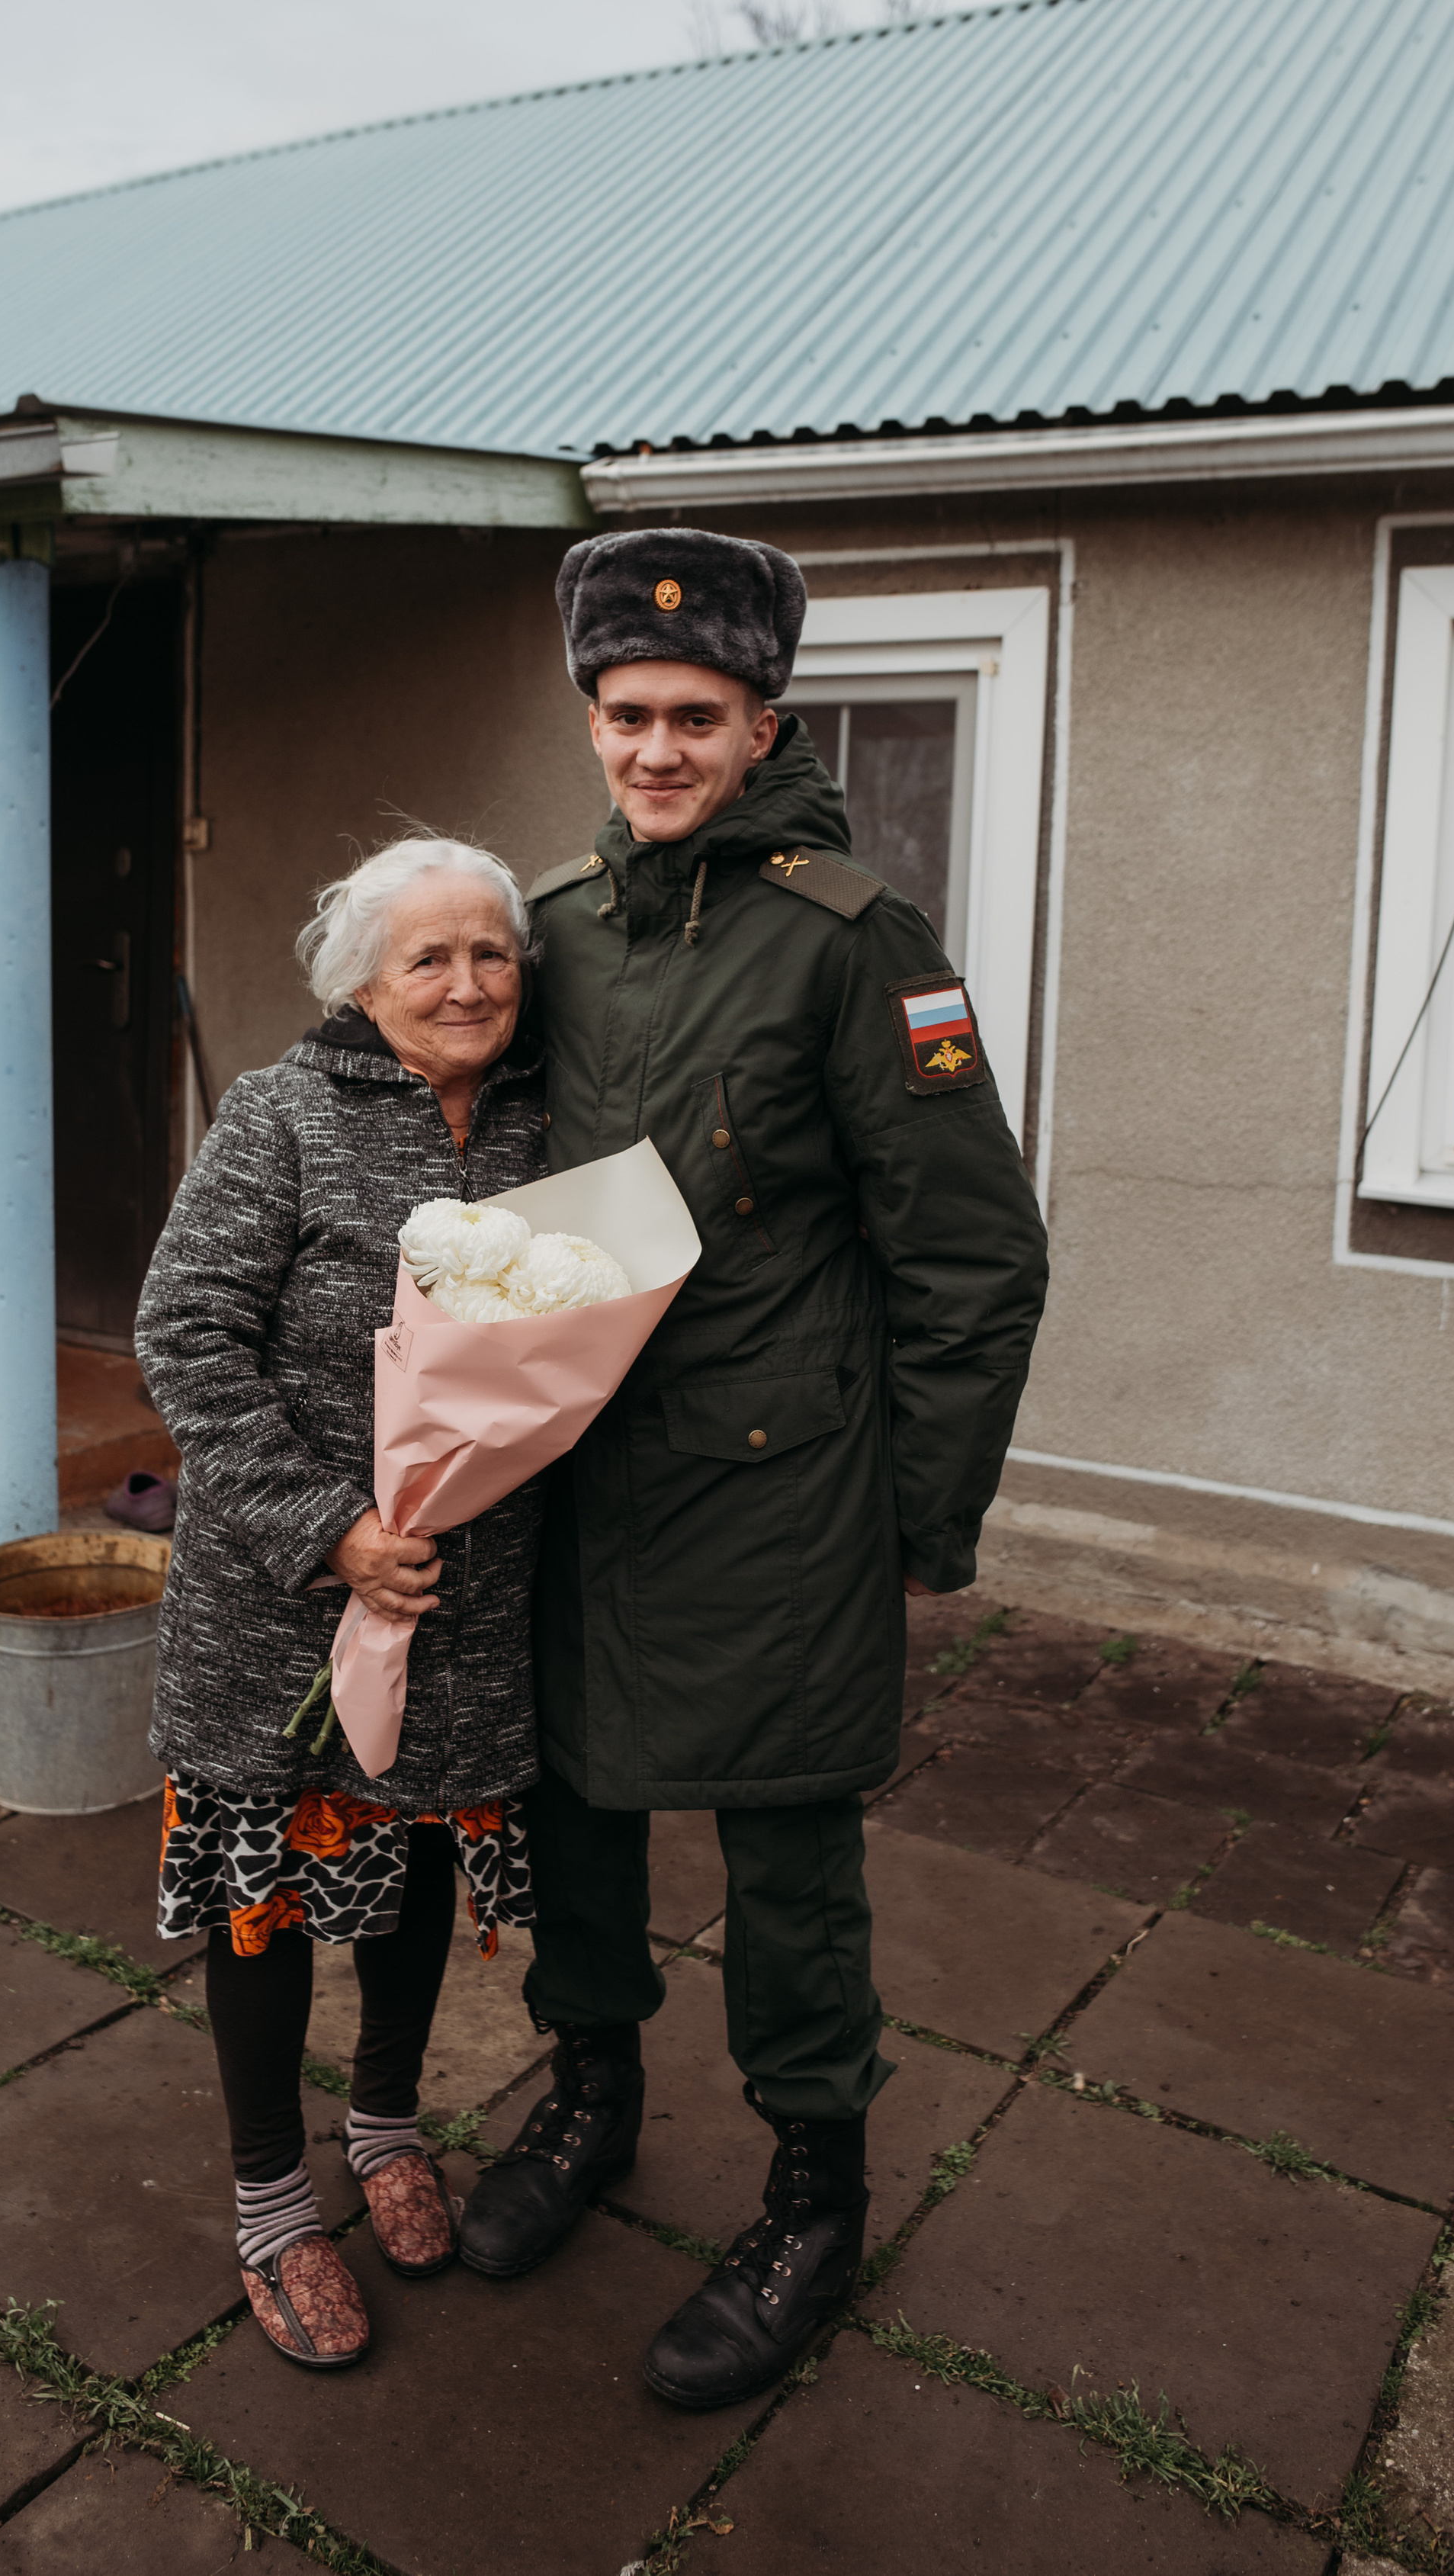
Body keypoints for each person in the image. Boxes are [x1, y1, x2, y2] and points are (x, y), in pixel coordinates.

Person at [457, 530, 1049, 2409]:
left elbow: (972, 1256)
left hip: (782, 1490)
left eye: (692, 715)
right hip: (574, 1479)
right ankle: (593, 2101)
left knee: (788, 1852)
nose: (652, 748)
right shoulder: (549, 924)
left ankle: (813, 2188)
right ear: (589, 720)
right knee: (571, 1812)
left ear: (761, 718)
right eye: (624, 715)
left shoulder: (855, 936)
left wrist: (918, 1520)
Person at [136, 835, 545, 2370]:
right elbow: (184, 1334)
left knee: (415, 1871)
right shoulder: (281, 1113)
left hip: (458, 1603)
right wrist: (331, 1530)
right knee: (265, 1902)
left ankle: (382, 2129)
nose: (462, 982)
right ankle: (266, 2202)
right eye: (426, 957)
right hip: (281, 1607)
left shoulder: (539, 1130)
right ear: (360, 980)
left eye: (490, 952)